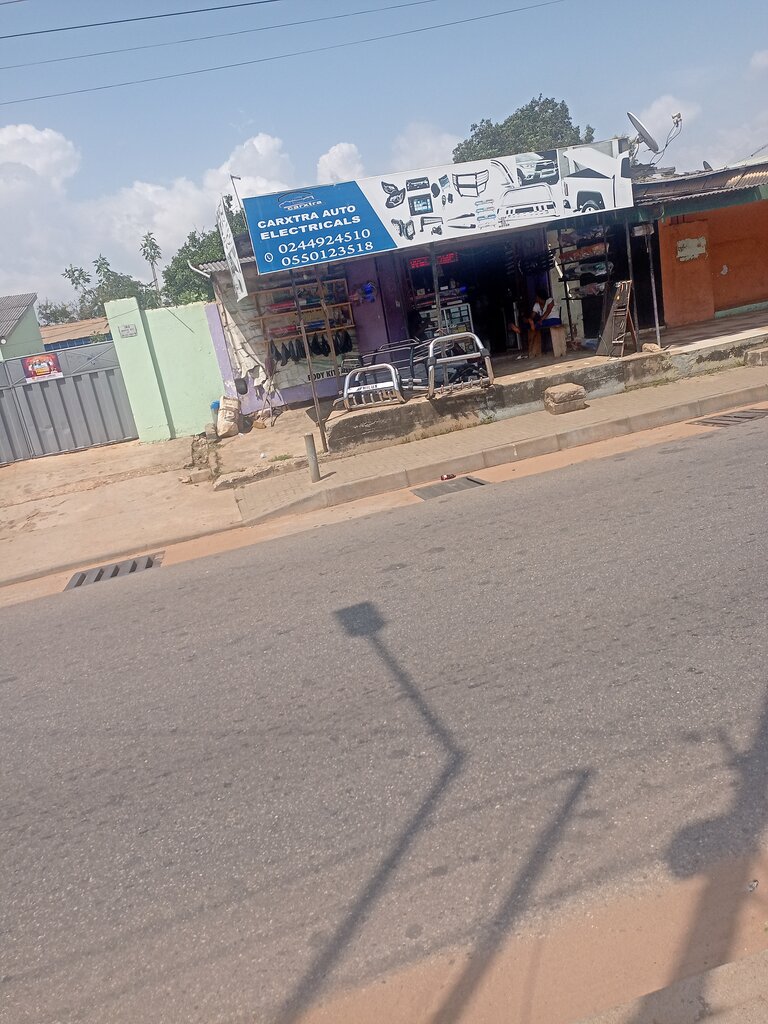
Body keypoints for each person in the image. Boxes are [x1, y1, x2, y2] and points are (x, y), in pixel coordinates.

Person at [525, 290, 556, 359]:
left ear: (539, 297)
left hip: (554, 320)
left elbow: (548, 311)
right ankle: (535, 350)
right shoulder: (536, 305)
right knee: (534, 326)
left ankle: (533, 350)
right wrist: (530, 319)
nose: (535, 298)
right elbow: (532, 315)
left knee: (535, 326)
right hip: (544, 321)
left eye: (536, 297)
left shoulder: (550, 300)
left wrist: (540, 320)